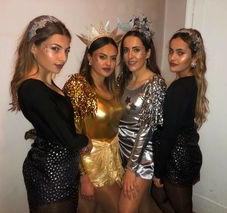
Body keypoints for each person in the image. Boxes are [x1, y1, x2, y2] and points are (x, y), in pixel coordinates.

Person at [9, 15, 91, 213]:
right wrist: (86, 141)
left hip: (62, 168)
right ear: (33, 47)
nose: (63, 58)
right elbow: (69, 138)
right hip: (50, 172)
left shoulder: (49, 85)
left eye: (66, 50)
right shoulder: (32, 88)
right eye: (55, 49)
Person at [63, 22, 124, 213]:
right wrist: (83, 176)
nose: (109, 63)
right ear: (90, 58)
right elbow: (73, 131)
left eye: (113, 59)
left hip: (113, 159)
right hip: (90, 162)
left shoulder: (112, 87)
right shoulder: (78, 85)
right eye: (102, 57)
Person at [151, 28, 209, 213]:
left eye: (180, 52)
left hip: (177, 157)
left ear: (195, 57)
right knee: (164, 198)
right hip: (186, 152)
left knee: (181, 207)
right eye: (170, 51)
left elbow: (168, 134)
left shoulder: (179, 87)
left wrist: (158, 172)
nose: (172, 57)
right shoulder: (192, 82)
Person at [117, 15, 166, 213]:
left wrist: (131, 168)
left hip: (142, 158)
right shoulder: (122, 80)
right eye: (126, 50)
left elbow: (146, 129)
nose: (130, 56)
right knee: (144, 205)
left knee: (125, 210)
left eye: (136, 50)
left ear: (147, 53)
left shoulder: (155, 84)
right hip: (122, 153)